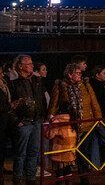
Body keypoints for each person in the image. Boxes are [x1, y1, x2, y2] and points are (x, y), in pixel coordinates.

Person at [48, 63, 103, 184]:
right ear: (69, 74)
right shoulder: (61, 86)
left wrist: (98, 118)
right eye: (77, 73)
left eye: (80, 73)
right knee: (66, 154)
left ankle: (84, 178)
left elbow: (94, 102)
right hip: (68, 127)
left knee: (83, 153)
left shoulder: (85, 85)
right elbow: (53, 104)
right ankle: (64, 178)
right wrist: (51, 119)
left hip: (86, 125)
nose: (80, 75)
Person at [9, 54, 46, 183]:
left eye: (31, 63)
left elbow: (41, 100)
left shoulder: (37, 80)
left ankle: (31, 178)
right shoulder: (13, 82)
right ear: (20, 66)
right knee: (21, 154)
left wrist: (42, 117)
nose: (32, 65)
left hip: (36, 121)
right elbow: (8, 104)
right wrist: (16, 121)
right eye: (29, 64)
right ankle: (17, 179)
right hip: (23, 122)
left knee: (34, 152)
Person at [0, 72, 13, 183]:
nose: (2, 74)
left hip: (5, 120)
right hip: (1, 118)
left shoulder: (4, 83)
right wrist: (11, 105)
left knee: (2, 147)